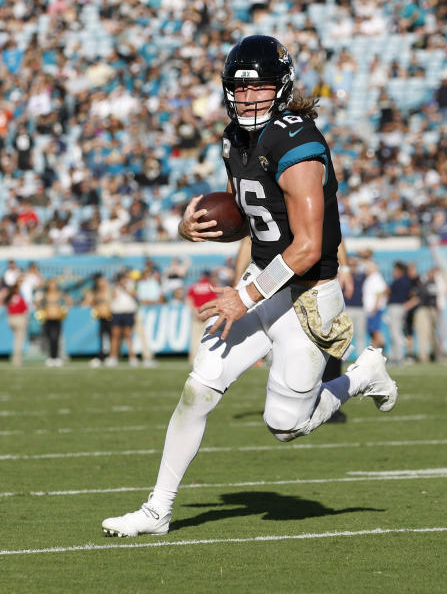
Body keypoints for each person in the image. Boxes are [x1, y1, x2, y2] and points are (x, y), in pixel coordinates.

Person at [102, 35, 398, 538]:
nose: (249, 99)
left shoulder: (298, 142)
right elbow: (258, 219)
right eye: (240, 90)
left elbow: (305, 246)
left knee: (285, 426)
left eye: (260, 88)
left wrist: (244, 296)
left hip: (305, 294)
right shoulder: (232, 139)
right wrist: (195, 227)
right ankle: (157, 510)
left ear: (280, 89)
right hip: (261, 280)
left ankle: (360, 376)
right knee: (199, 389)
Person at [38, 279, 68, 367]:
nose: (52, 286)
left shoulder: (59, 294)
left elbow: (69, 301)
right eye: (51, 284)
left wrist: (63, 309)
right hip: (48, 319)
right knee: (50, 338)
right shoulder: (45, 295)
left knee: (56, 338)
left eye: (54, 284)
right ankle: (51, 357)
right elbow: (37, 303)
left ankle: (57, 357)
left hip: (57, 319)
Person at [2, 276, 29, 367]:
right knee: (19, 340)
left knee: (16, 339)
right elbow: (25, 309)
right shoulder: (19, 297)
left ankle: (16, 358)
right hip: (19, 318)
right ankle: (17, 359)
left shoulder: (10, 297)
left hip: (11, 318)